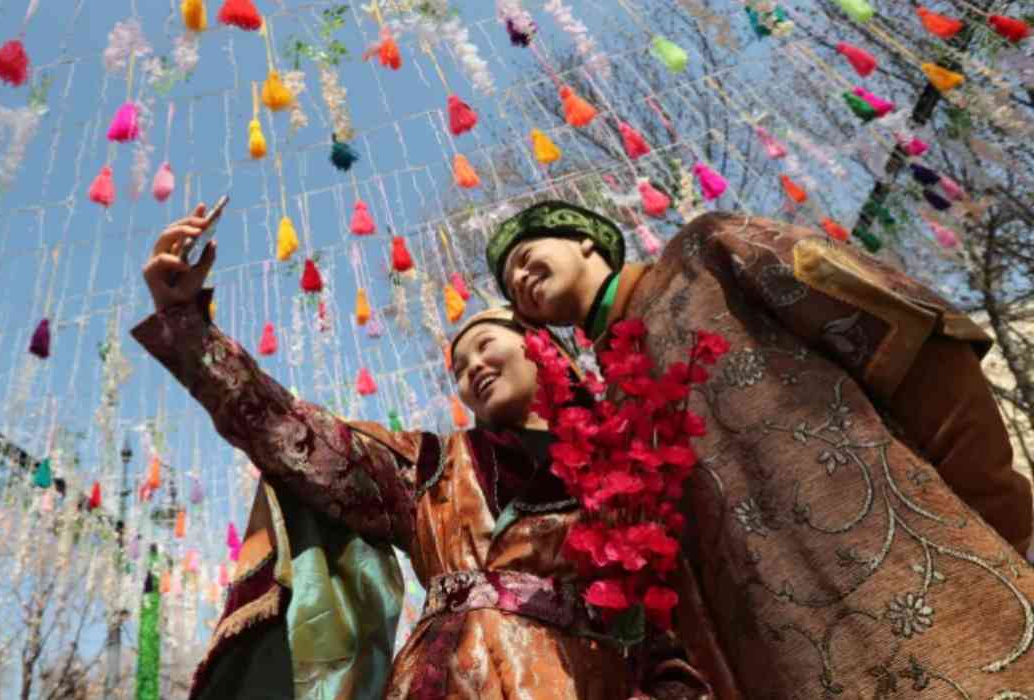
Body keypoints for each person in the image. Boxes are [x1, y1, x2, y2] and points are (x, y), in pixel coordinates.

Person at [132, 204, 712, 700]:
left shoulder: (631, 465)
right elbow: (289, 431)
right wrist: (186, 325)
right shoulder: (428, 466)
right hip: (447, 678)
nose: (472, 369)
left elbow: (668, 629)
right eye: (458, 369)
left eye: (485, 345)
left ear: (544, 348)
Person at [488, 199, 1034, 697]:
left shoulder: (710, 254)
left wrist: (1000, 522)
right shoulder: (611, 418)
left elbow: (908, 337)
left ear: (585, 238)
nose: (519, 277)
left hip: (946, 614)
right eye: (509, 284)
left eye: (526, 254)